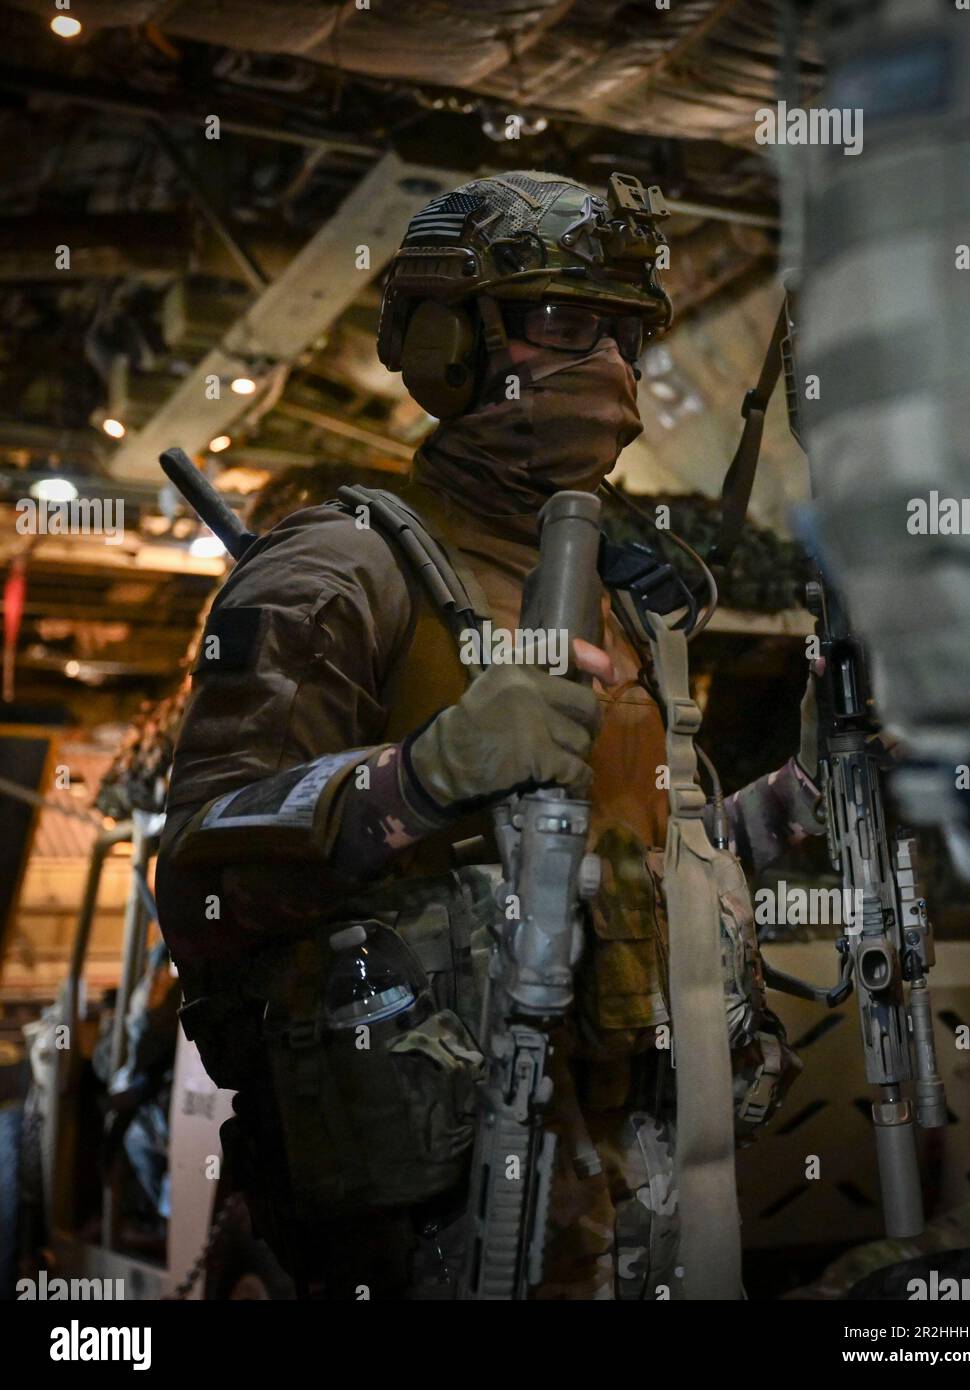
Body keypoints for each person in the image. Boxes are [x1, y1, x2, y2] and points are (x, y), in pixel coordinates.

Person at [155, 170, 823, 1299]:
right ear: (446, 344)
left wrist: (800, 802)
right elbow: (201, 885)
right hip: (426, 1226)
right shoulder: (339, 571)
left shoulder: (630, 602)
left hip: (634, 1203)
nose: (607, 367)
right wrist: (419, 778)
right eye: (564, 321)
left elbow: (637, 875)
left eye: (625, 333)